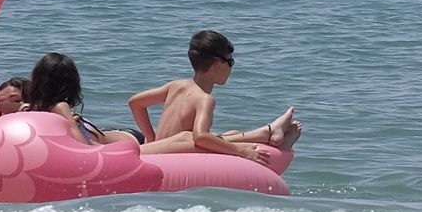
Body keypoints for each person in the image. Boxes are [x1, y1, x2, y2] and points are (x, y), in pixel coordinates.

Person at [127, 29, 300, 166]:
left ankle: (267, 132)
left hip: (161, 146)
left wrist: (151, 137)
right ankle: (269, 134)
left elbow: (135, 103)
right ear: (217, 65)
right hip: (171, 155)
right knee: (203, 139)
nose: (232, 68)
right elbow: (200, 137)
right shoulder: (204, 99)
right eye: (230, 62)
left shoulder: (176, 85)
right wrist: (242, 152)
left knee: (230, 134)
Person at [22, 52, 144, 147]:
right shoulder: (30, 109)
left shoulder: (59, 107)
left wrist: (70, 123)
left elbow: (82, 147)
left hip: (130, 140)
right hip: (108, 135)